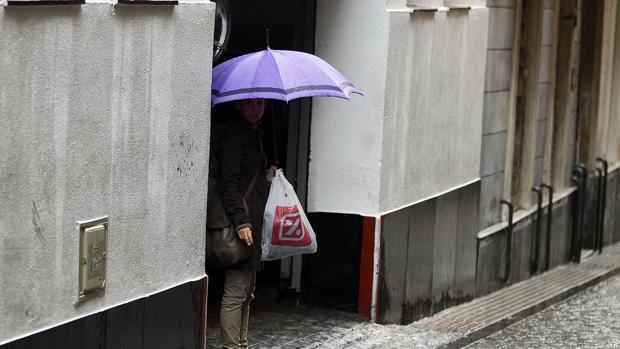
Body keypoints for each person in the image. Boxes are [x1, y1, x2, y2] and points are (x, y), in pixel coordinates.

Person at [217, 98, 276, 349]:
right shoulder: (235, 136)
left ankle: (242, 344)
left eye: (260, 103)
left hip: (253, 222)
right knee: (235, 293)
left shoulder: (255, 134)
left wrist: (266, 176)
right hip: (241, 224)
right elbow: (228, 183)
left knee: (247, 293)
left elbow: (247, 178)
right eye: (249, 103)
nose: (255, 108)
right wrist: (241, 222)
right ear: (239, 105)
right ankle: (233, 346)